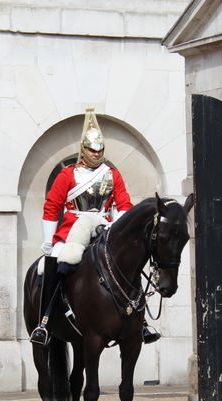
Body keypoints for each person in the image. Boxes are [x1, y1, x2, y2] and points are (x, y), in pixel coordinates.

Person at [30, 107, 160, 346]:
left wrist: (122, 230)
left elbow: (124, 205)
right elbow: (51, 206)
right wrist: (49, 240)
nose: (97, 153)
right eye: (92, 149)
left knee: (129, 263)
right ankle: (45, 322)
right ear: (83, 149)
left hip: (104, 228)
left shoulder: (112, 175)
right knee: (53, 262)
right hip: (72, 230)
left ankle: (140, 323)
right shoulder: (68, 175)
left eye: (100, 150)